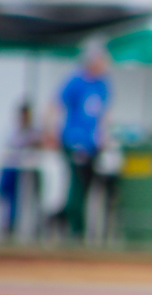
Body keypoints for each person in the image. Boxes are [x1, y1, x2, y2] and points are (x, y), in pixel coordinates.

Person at [48, 43, 112, 239]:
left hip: (92, 144)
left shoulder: (102, 84)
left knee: (86, 186)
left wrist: (105, 137)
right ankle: (74, 227)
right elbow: (55, 105)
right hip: (74, 140)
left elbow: (103, 115)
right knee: (76, 184)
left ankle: (71, 223)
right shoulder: (76, 81)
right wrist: (50, 131)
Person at [0, 102, 42, 235]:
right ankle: (8, 225)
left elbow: (37, 146)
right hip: (12, 169)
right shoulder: (12, 132)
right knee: (7, 195)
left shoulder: (33, 133)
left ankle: (30, 228)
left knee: (26, 199)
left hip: (27, 172)